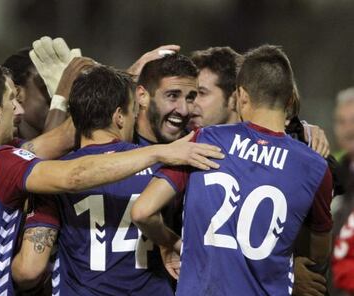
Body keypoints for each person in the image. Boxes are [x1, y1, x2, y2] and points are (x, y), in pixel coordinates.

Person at [0, 63, 222, 295]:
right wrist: (160, 152)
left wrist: (77, 95)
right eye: (12, 99)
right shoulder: (4, 163)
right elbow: (74, 174)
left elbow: (29, 269)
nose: (20, 110)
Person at [132, 45, 333, 295]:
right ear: (290, 99)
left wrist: (169, 242)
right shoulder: (314, 166)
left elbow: (142, 211)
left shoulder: (203, 141)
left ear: (241, 96)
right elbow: (319, 252)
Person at [12, 66, 199, 295]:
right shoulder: (164, 167)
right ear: (119, 117)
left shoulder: (53, 176)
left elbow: (29, 270)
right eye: (133, 111)